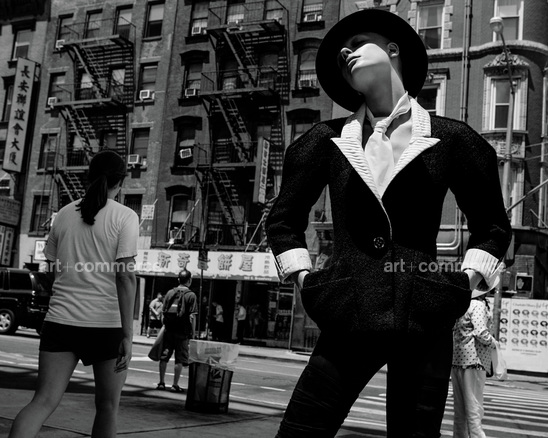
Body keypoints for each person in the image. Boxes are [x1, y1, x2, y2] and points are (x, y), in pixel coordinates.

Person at [265, 9, 511, 438]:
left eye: (357, 43)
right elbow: (283, 220)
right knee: (300, 433)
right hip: (348, 312)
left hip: (425, 319)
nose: (346, 53)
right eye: (341, 54)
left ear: (393, 49)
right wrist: (310, 283)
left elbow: (492, 226)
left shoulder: (453, 140)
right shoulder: (323, 142)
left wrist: (458, 286)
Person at [9, 150, 139, 438]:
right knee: (107, 407)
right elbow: (125, 276)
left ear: (89, 177)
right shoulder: (126, 216)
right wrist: (128, 336)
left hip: (60, 322)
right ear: (121, 182)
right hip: (106, 326)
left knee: (42, 402)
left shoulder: (64, 214)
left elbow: (53, 268)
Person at [452, 289, 497, 438]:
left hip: (458, 360)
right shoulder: (477, 305)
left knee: (460, 410)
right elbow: (481, 333)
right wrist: (494, 343)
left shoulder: (460, 304)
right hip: (475, 361)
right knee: (474, 408)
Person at [157, 269, 197, 392]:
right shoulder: (191, 295)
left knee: (164, 356)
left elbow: (163, 313)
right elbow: (192, 316)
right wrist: (193, 333)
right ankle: (175, 385)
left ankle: (161, 383)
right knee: (179, 359)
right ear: (190, 280)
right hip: (182, 332)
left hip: (169, 330)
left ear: (178, 280)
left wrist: (165, 326)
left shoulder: (169, 293)